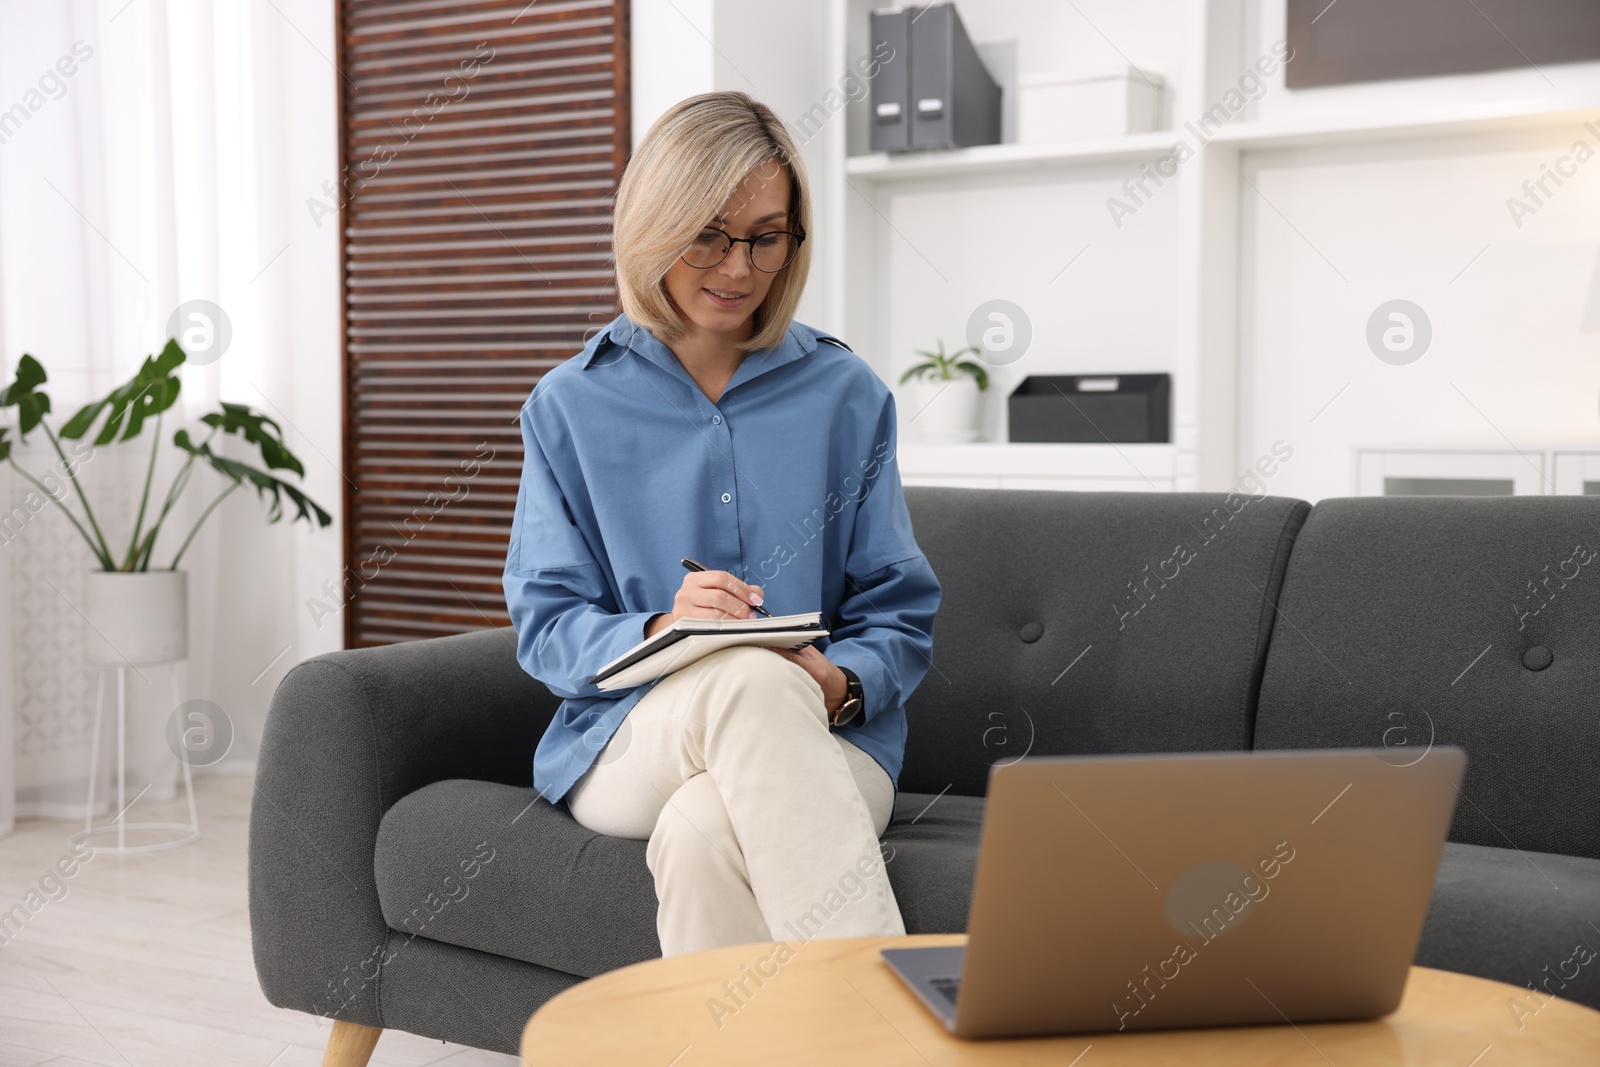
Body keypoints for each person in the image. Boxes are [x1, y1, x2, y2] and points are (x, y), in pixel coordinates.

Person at [503, 90, 941, 957]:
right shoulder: (569, 405)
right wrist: (667, 626)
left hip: (826, 736)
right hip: (627, 740)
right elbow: (547, 626)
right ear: (653, 224)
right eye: (708, 232)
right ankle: (897, 1035)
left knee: (703, 836)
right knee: (745, 676)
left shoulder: (846, 396)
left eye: (766, 236)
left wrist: (839, 684)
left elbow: (898, 608)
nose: (739, 267)